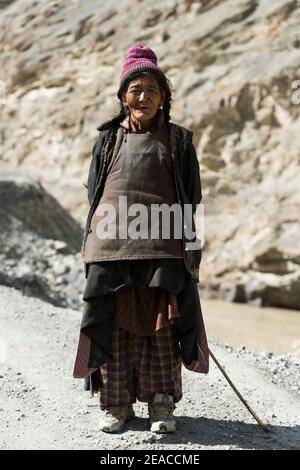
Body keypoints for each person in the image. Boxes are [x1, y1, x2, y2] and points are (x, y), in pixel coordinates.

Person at [73, 44, 209, 434]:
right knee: (111, 320)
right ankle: (115, 405)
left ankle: (161, 405)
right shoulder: (107, 140)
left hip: (163, 245)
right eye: (136, 89)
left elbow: (192, 197)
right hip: (111, 244)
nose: (144, 97)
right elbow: (95, 192)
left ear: (164, 97)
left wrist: (190, 252)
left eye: (152, 90)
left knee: (162, 324)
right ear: (122, 96)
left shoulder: (179, 142)